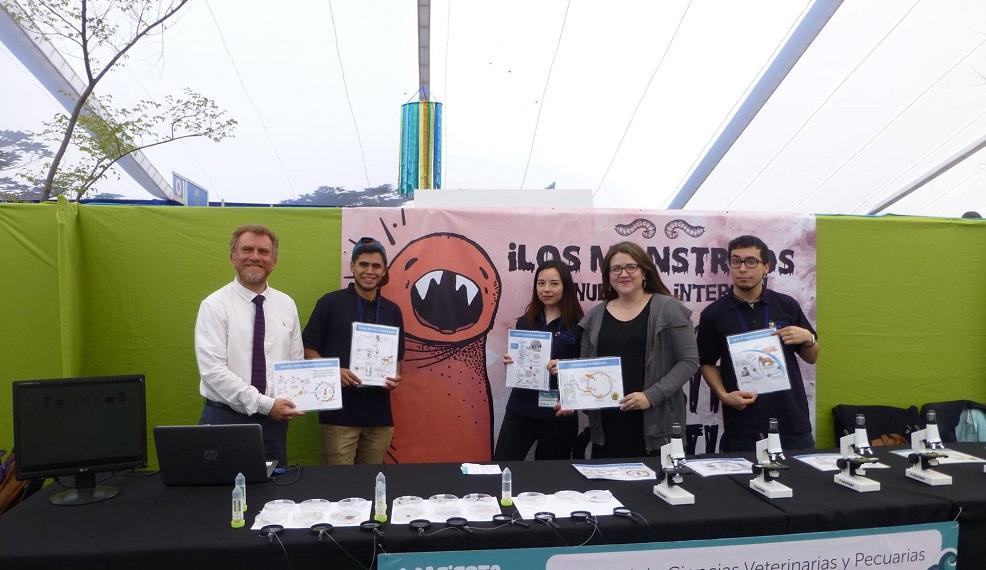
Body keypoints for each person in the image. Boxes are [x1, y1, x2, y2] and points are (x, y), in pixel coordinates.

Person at [563, 241, 699, 458]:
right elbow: (584, 368)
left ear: (644, 271)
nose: (623, 274)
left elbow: (689, 361)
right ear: (608, 276)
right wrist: (574, 398)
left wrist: (651, 396)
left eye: (631, 267)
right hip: (607, 426)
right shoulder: (595, 316)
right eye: (615, 269)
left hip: (656, 422)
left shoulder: (668, 308)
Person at [697, 234, 820, 452]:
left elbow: (812, 357)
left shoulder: (786, 305)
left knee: (801, 483)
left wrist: (808, 339)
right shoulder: (714, 314)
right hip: (743, 425)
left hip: (791, 423)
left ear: (766, 266)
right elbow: (706, 363)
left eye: (751, 261)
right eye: (736, 261)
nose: (742, 268)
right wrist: (724, 396)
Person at [195, 224, 304, 465]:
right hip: (225, 421)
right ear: (232, 256)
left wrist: (303, 395)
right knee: (221, 498)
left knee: (274, 497)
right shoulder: (214, 306)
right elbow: (213, 372)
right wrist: (265, 405)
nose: (255, 257)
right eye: (247, 249)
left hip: (274, 426)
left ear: (274, 260)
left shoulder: (287, 304)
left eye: (264, 252)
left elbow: (295, 363)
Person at [303, 237, 404, 465]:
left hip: (379, 416)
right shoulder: (330, 303)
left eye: (376, 266)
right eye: (363, 265)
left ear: (384, 270)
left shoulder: (392, 311)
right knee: (340, 486)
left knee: (371, 482)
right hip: (339, 416)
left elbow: (398, 359)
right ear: (352, 267)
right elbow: (308, 348)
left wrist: (396, 376)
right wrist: (333, 371)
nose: (370, 271)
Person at [494, 261, 583, 461]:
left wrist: (564, 367)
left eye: (553, 283)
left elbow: (586, 367)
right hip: (521, 408)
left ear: (565, 286)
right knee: (502, 465)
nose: (546, 289)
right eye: (541, 283)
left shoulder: (579, 324)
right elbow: (520, 357)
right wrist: (513, 362)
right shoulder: (525, 321)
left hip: (558, 412)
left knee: (550, 478)